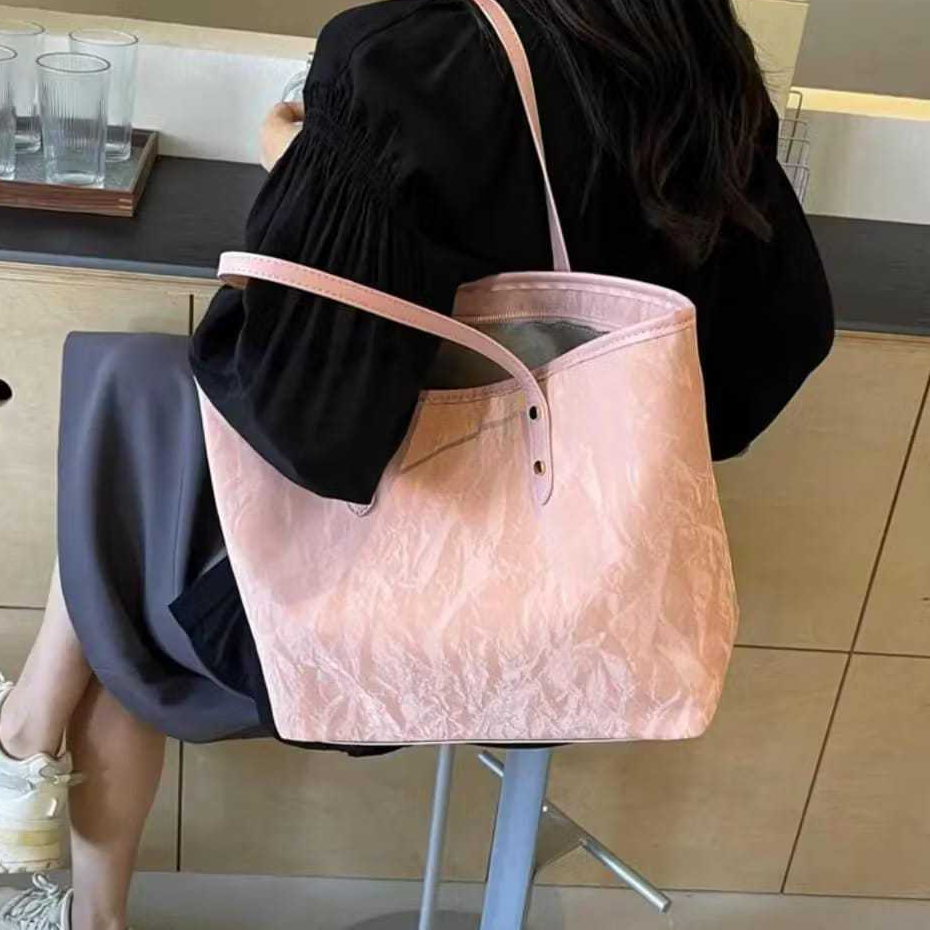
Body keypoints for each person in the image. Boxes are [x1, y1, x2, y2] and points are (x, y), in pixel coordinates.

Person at [0, 1, 834, 927]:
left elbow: (311, 426)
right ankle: (30, 756)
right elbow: (778, 348)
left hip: (391, 615)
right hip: (594, 603)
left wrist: (298, 175)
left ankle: (38, 774)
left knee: (127, 466)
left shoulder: (402, 57)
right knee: (137, 432)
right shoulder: (696, 51)